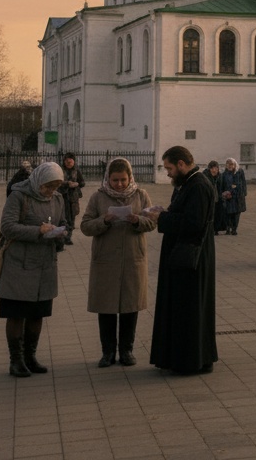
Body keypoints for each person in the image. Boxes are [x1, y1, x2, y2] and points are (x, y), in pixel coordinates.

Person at [149, 145, 218, 375]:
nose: (167, 172)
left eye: (169, 167)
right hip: (184, 256)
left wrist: (163, 218)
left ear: (181, 164)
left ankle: (191, 360)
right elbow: (183, 214)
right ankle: (184, 358)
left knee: (190, 309)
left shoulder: (198, 185)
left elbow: (193, 223)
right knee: (183, 308)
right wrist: (165, 212)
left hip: (192, 258)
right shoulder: (187, 184)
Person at [80, 157, 155, 368]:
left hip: (133, 259)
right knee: (107, 307)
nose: (120, 184)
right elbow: (85, 226)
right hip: (106, 260)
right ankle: (108, 351)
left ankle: (127, 350)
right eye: (115, 180)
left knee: (130, 306)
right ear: (108, 179)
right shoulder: (98, 197)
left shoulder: (141, 195)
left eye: (123, 180)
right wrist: (104, 220)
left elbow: (152, 221)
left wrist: (138, 220)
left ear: (130, 177)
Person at [0, 161, 67, 378]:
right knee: (17, 314)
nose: (50, 191)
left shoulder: (57, 199)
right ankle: (15, 360)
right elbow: (7, 227)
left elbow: (64, 220)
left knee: (37, 314)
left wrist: (61, 232)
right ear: (38, 181)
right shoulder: (19, 196)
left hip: (45, 264)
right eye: (47, 186)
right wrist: (38, 231)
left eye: (54, 187)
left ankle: (30, 357)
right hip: (19, 265)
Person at [58, 153, 84, 246]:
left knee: (72, 218)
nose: (69, 163)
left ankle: (68, 237)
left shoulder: (77, 170)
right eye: (67, 161)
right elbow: (57, 182)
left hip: (73, 198)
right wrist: (66, 183)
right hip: (62, 197)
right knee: (63, 217)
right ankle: (62, 236)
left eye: (70, 161)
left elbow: (82, 182)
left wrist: (77, 184)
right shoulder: (60, 170)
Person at [219, 158, 247, 236]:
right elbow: (222, 185)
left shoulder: (239, 172)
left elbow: (243, 183)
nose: (229, 166)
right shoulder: (224, 174)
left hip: (238, 197)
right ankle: (228, 229)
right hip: (228, 197)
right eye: (228, 164)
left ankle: (234, 229)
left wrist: (244, 193)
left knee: (236, 214)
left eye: (231, 164)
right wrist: (224, 194)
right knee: (228, 214)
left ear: (235, 165)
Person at [206, 161, 227, 234]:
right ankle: (210, 229)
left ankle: (216, 229)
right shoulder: (205, 176)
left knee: (218, 215)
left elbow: (223, 186)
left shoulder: (220, 176)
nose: (214, 170)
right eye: (212, 168)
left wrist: (224, 194)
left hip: (218, 199)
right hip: (209, 200)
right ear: (209, 169)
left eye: (216, 168)